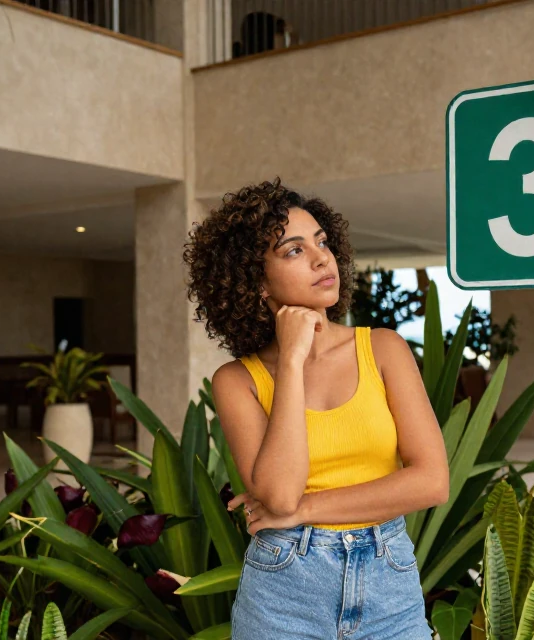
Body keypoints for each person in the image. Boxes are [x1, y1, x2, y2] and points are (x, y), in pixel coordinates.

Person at [182, 178, 449, 639]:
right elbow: (278, 496)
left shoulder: (383, 349)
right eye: (293, 251)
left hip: (389, 587)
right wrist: (290, 358)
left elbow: (431, 481)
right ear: (256, 283)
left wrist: (306, 509)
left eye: (322, 242)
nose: (322, 258)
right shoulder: (238, 381)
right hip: (284, 593)